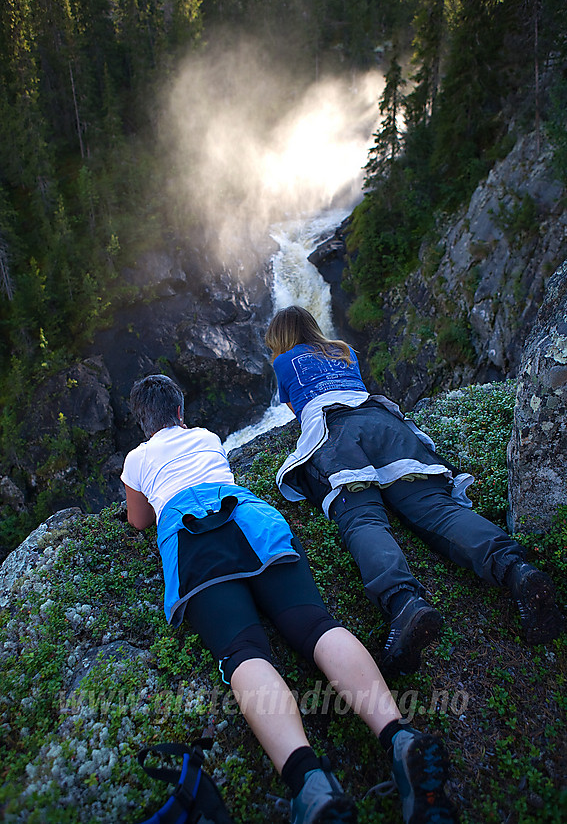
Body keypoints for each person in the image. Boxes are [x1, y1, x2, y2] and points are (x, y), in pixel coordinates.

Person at [121, 374, 458, 824]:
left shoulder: (138, 457)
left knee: (242, 652)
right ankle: (399, 736)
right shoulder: (205, 436)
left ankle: (310, 784)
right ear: (181, 412)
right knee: (317, 625)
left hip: (192, 536)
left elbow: (138, 519)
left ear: (143, 423)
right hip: (251, 517)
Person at [265, 305, 565, 677]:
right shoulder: (343, 349)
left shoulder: (284, 362)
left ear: (280, 339)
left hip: (336, 434)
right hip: (384, 422)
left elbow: (298, 410)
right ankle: (517, 569)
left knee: (362, 519)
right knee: (437, 509)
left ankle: (405, 604)